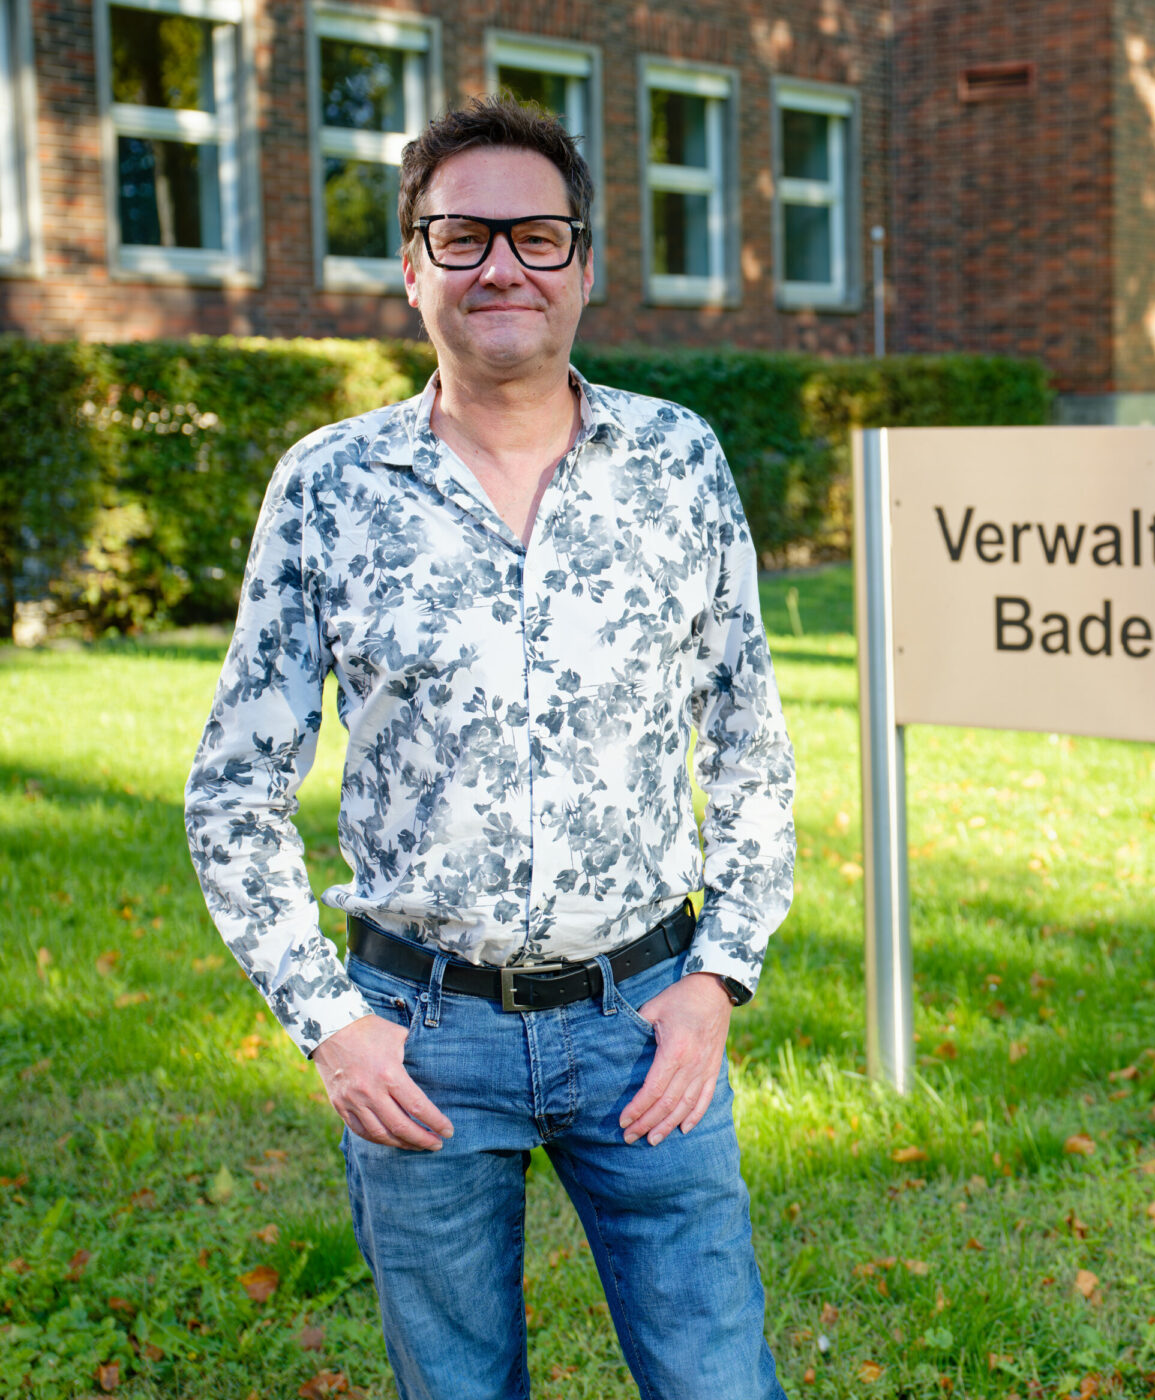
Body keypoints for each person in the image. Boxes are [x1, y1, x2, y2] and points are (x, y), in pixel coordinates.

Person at [183, 97, 795, 1400]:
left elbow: (746, 735)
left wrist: (719, 979)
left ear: (585, 266)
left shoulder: (680, 462)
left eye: (537, 235)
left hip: (648, 1030)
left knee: (719, 1382)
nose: (502, 264)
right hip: (418, 1043)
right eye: (463, 237)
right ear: (412, 266)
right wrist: (331, 1024)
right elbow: (236, 792)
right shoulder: (328, 487)